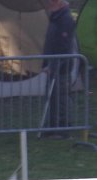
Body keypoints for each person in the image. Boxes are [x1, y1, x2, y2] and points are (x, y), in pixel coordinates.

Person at [41, 0, 76, 139]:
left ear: (59, 3)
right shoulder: (56, 18)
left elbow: (64, 47)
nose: (49, 4)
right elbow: (50, 43)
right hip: (53, 65)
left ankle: (63, 129)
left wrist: (54, 66)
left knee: (61, 99)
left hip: (62, 67)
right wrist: (46, 64)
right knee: (52, 98)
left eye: (52, 2)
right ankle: (52, 127)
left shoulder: (66, 19)